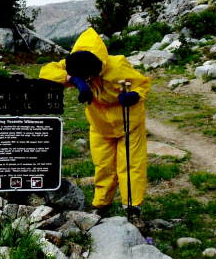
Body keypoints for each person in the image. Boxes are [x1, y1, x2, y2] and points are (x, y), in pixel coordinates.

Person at [40, 27, 151, 218]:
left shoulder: (118, 66)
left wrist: (135, 95)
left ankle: (132, 207)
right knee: (103, 165)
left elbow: (143, 83)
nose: (89, 80)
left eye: (90, 77)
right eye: (86, 78)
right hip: (100, 125)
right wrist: (72, 79)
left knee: (131, 163)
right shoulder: (74, 63)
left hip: (128, 123)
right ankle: (102, 204)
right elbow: (45, 71)